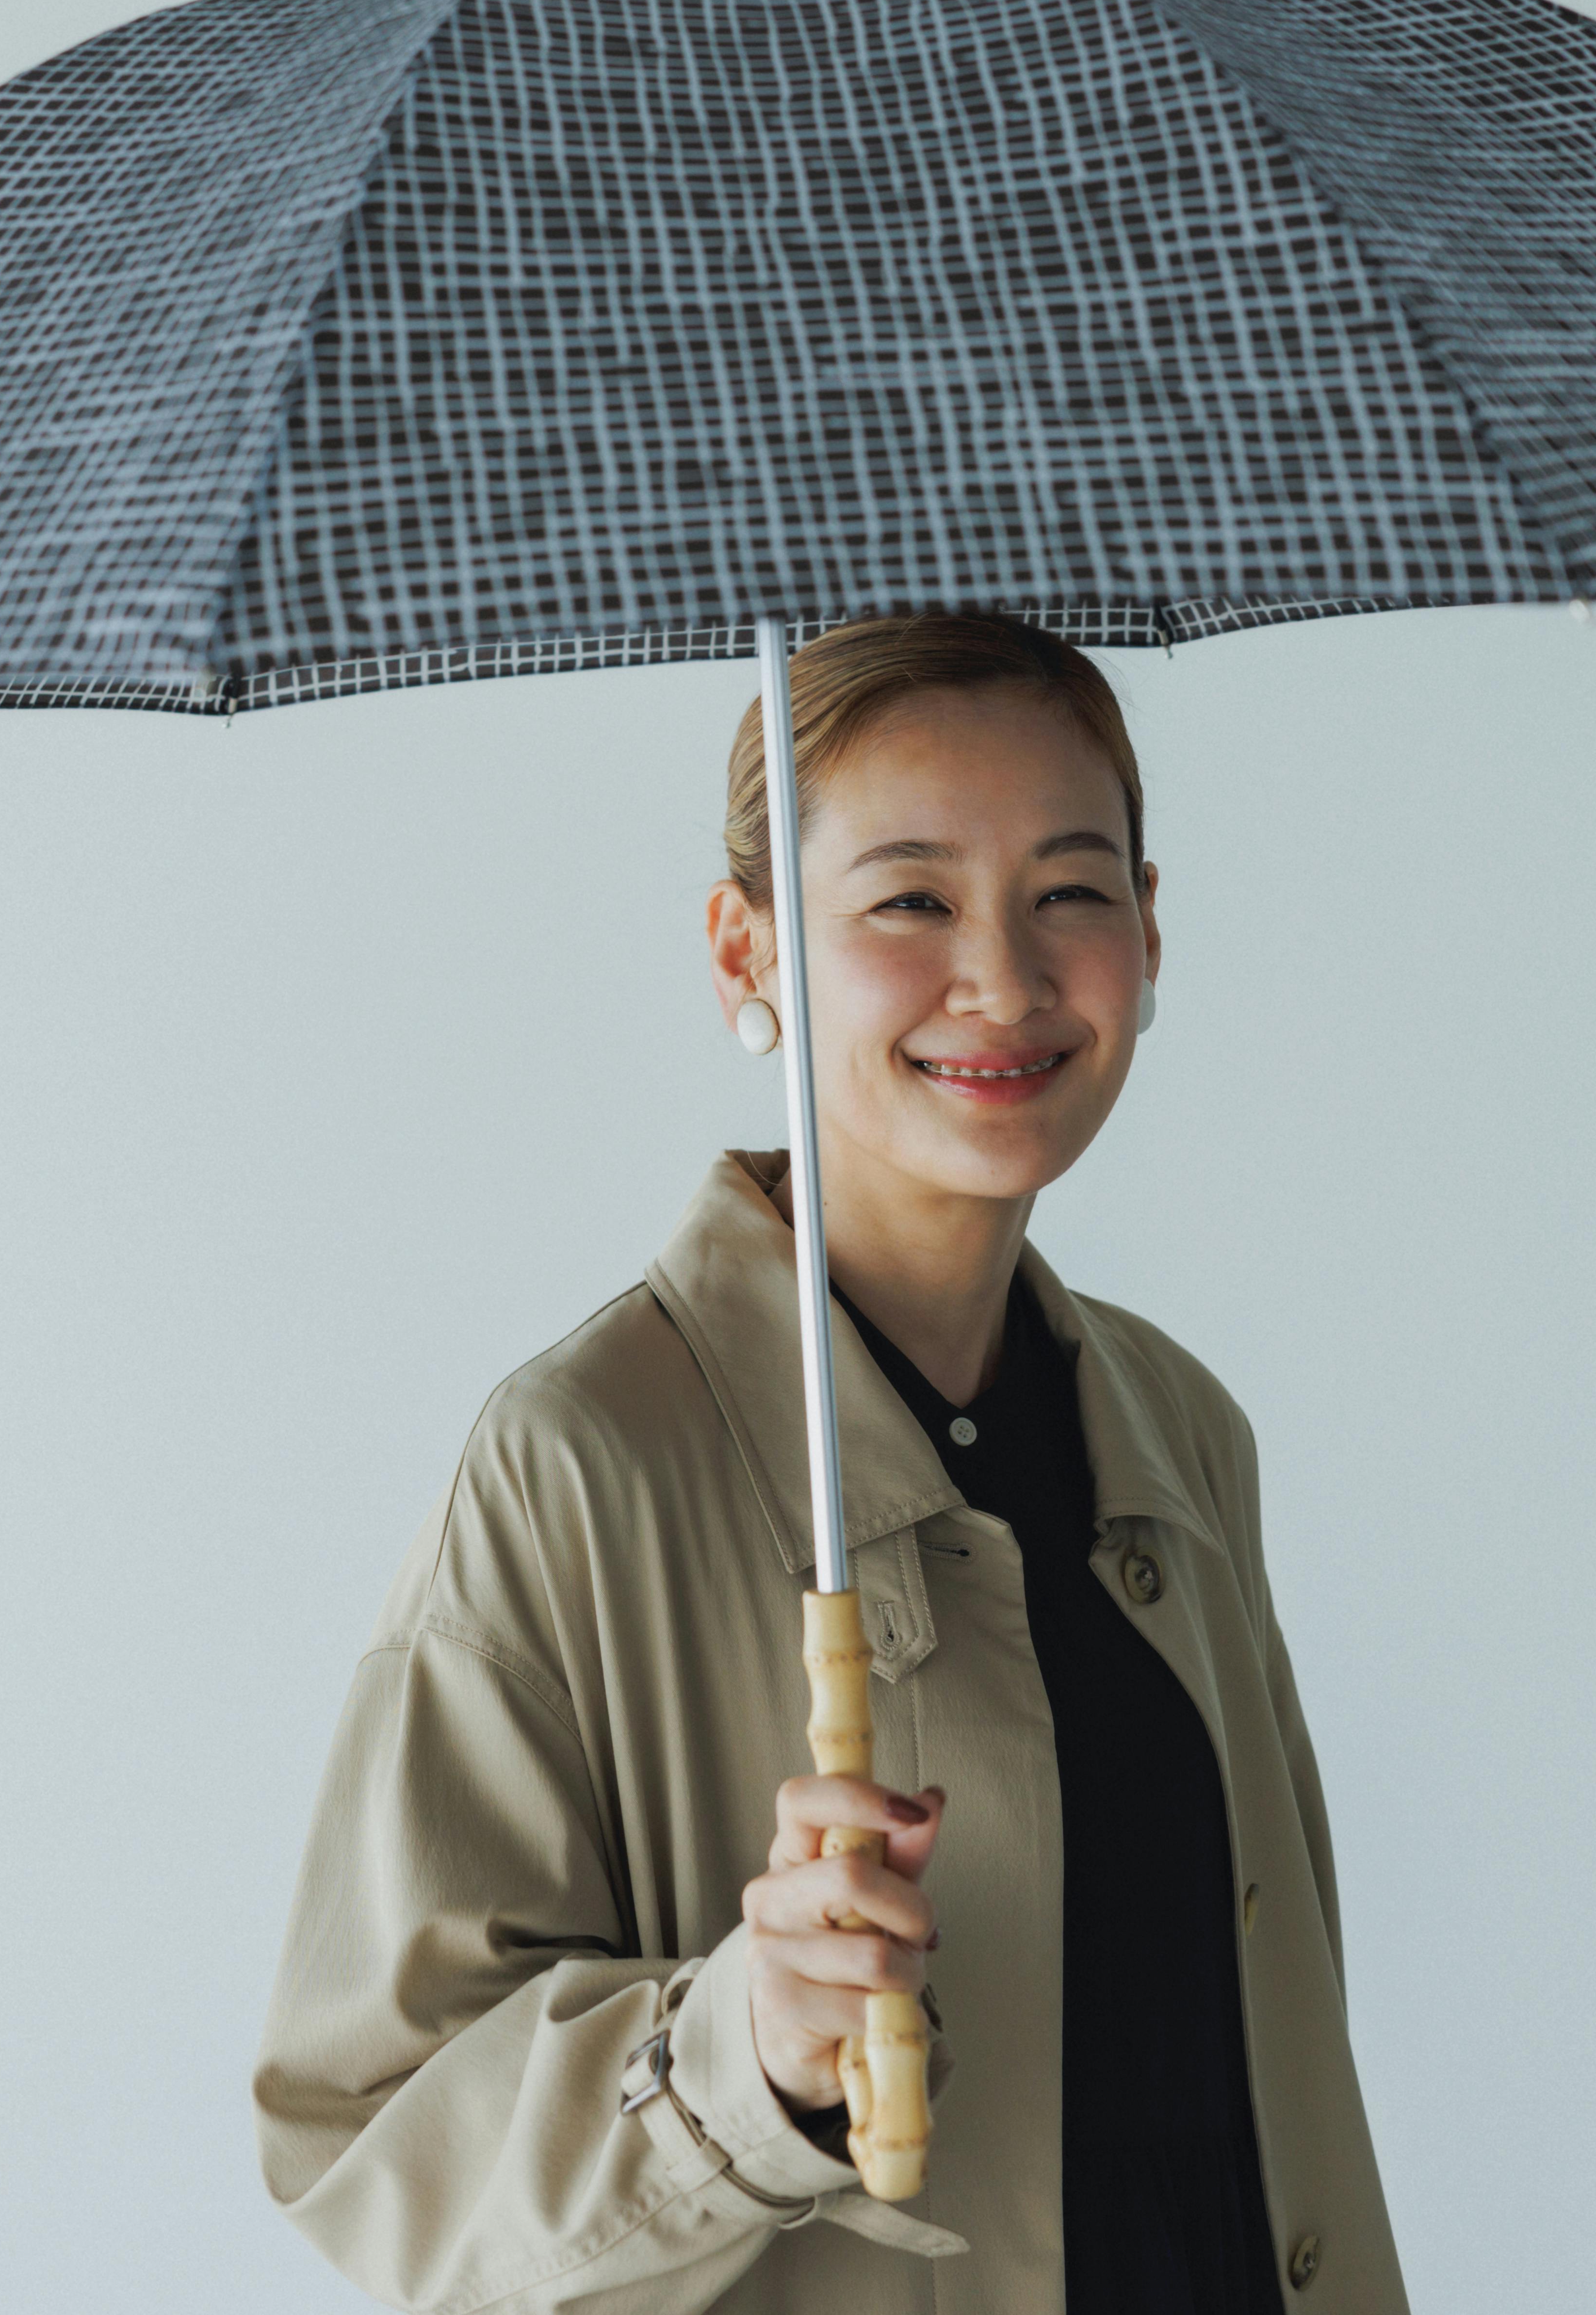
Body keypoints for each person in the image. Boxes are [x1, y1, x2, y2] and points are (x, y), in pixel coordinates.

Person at [253, 615, 1407, 2315]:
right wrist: (744, 2050)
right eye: (910, 899)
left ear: (1151, 935)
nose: (1005, 979)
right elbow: (370, 2153)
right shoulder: (579, 1466)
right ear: (748, 956)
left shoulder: (1179, 1433)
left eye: (1073, 889)